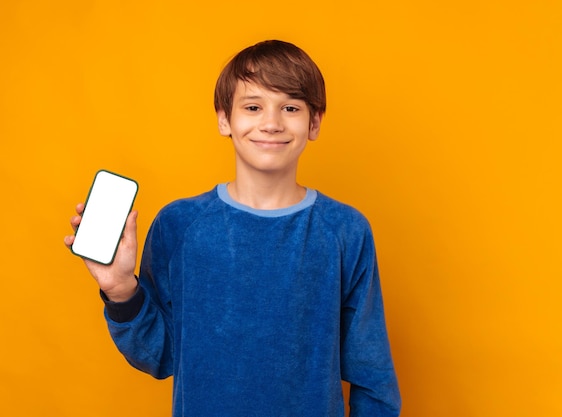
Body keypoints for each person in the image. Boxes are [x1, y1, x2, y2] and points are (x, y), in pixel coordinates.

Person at [65, 39, 401, 416]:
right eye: (253, 107)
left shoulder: (345, 231)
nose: (271, 123)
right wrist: (121, 290)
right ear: (224, 118)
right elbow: (161, 355)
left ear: (315, 122)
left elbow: (373, 378)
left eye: (290, 107)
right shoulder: (179, 226)